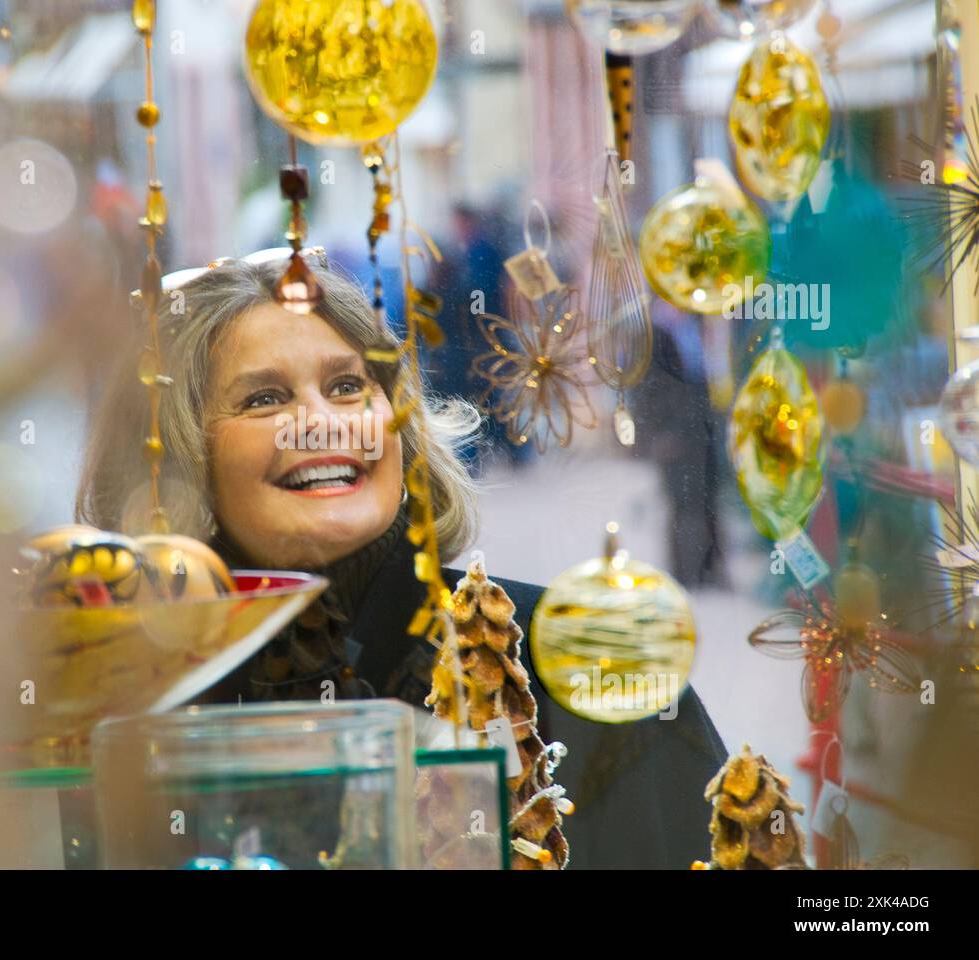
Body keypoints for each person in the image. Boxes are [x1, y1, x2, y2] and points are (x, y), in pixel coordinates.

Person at [77, 254, 727, 868]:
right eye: (263, 399)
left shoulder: (584, 650)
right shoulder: (123, 702)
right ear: (174, 464)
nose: (323, 423)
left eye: (347, 386)